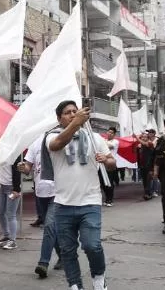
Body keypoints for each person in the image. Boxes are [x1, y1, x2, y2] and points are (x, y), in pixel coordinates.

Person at [41, 100, 116, 290]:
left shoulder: (94, 137)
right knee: (67, 251)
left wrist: (106, 160)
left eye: (76, 111)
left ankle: (99, 278)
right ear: (59, 119)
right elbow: (59, 143)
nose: (73, 114)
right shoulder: (52, 137)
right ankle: (75, 285)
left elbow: (112, 162)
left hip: (90, 202)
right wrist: (76, 123)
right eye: (68, 112)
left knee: (92, 246)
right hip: (63, 205)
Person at [18, 137, 61, 279]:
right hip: (40, 193)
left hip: (58, 193)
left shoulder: (59, 139)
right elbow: (28, 168)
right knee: (52, 228)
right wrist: (23, 168)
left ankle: (43, 263)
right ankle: (64, 256)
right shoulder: (34, 143)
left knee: (49, 226)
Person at [0, 152, 22, 250]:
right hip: (3, 186)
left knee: (11, 214)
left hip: (12, 187)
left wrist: (17, 189)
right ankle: (6, 234)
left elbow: (17, 172)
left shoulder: (14, 153)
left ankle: (13, 240)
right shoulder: (1, 151)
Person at [100, 127, 118, 207]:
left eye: (111, 133)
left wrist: (101, 141)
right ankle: (107, 198)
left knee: (109, 182)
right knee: (103, 182)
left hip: (111, 164)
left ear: (114, 134)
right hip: (103, 164)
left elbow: (109, 146)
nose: (109, 133)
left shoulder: (115, 142)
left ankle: (110, 199)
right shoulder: (104, 141)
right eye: (108, 132)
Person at [136, 131, 156, 200]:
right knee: (144, 180)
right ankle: (147, 193)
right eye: (143, 137)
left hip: (150, 165)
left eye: (145, 137)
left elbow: (144, 143)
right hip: (142, 165)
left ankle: (147, 194)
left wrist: (137, 137)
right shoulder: (140, 146)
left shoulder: (150, 143)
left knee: (148, 180)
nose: (144, 138)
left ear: (148, 138)